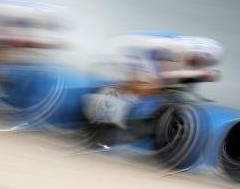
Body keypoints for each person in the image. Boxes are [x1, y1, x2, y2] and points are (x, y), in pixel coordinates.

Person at [84, 31, 223, 129]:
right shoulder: (178, 47)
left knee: (163, 80)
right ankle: (116, 106)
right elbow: (144, 49)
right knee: (153, 82)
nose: (197, 64)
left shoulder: (189, 53)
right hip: (132, 50)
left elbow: (185, 75)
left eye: (200, 64)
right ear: (197, 52)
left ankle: (130, 104)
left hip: (142, 53)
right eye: (197, 61)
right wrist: (152, 76)